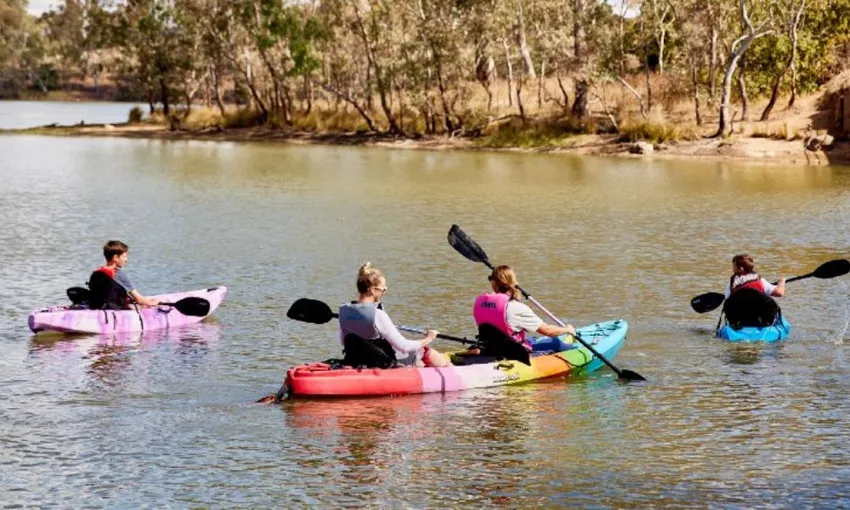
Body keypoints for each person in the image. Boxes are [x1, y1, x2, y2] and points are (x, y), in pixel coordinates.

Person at [338, 262, 451, 368]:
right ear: (373, 290)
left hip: (357, 360)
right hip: (383, 363)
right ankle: (453, 370)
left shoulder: (344, 311)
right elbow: (404, 346)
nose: (384, 292)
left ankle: (420, 367)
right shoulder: (378, 314)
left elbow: (344, 342)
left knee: (418, 362)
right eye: (383, 289)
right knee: (425, 351)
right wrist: (429, 338)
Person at [474, 265, 576, 352]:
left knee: (532, 339)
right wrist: (567, 329)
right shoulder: (517, 308)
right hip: (512, 351)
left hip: (490, 347)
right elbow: (548, 331)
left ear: (494, 283)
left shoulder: (480, 302)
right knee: (556, 342)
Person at [88, 240, 160, 309]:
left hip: (98, 306)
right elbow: (139, 300)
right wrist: (153, 302)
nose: (126, 260)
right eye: (124, 256)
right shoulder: (119, 274)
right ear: (116, 258)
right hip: (114, 309)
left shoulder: (97, 273)